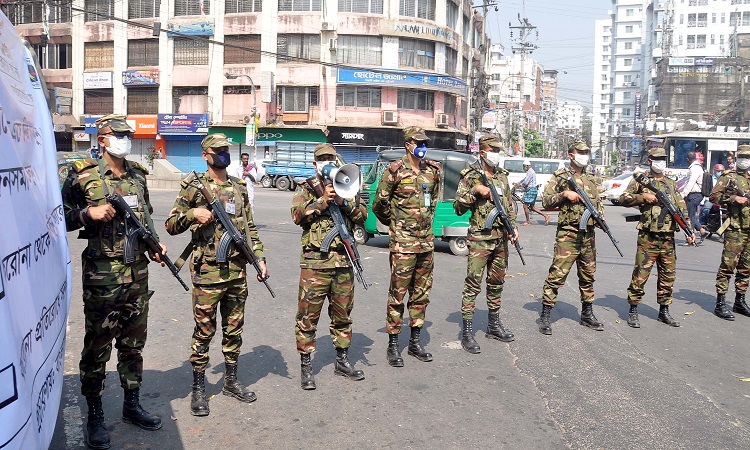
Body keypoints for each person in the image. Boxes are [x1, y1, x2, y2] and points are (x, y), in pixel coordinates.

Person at [62, 114, 164, 449]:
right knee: (98, 346)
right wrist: (85, 215)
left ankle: (131, 405)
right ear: (102, 138)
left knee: (133, 345)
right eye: (118, 134)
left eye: (127, 134)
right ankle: (95, 415)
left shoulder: (137, 175)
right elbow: (55, 216)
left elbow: (145, 217)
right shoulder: (83, 176)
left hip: (137, 274)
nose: (125, 139)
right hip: (102, 278)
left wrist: (156, 244)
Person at [165, 133, 268, 417]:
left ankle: (231, 380)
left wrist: (259, 258)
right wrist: (192, 214)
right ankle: (199, 387)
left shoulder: (238, 187)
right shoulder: (194, 186)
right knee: (204, 331)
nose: (224, 153)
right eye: (218, 150)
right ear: (205, 155)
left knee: (234, 329)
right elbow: (171, 225)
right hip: (207, 272)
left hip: (237, 272)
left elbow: (250, 229)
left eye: (226, 149)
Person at [291, 143, 367, 389]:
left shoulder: (348, 185)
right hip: (315, 264)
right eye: (321, 159)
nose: (326, 162)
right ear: (315, 164)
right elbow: (297, 216)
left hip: (343, 262)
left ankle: (342, 360)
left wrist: (344, 201)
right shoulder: (306, 188)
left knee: (343, 315)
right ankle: (306, 365)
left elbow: (362, 215)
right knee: (307, 317)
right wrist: (322, 201)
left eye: (330, 158)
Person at [373, 126, 441, 366]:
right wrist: (396, 225)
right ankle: (393, 344)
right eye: (417, 142)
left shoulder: (433, 172)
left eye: (424, 142)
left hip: (426, 244)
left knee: (421, 294)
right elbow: (378, 205)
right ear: (407, 144)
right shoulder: (394, 171)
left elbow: (433, 203)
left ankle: (414, 342)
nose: (422, 146)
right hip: (403, 244)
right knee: (397, 294)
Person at [453, 134, 519, 353]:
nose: (496, 155)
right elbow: (458, 207)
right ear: (482, 152)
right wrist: (475, 191)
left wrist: (513, 227)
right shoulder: (471, 175)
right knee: (473, 284)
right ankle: (468, 331)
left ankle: (493, 325)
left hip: (501, 238)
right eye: (493, 150)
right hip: (481, 238)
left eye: (498, 150)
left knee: (497, 282)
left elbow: (508, 204)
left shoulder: (501, 175)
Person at [618, 148, 696, 328]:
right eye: (658, 159)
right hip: (648, 236)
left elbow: (681, 208)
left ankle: (664, 311)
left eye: (664, 159)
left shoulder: (670, 183)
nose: (661, 162)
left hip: (668, 237)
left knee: (668, 275)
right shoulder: (642, 180)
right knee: (641, 274)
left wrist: (689, 230)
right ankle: (633, 310)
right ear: (651, 160)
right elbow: (624, 198)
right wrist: (642, 197)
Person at [538, 140, 605, 335]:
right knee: (557, 274)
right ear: (571, 155)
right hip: (568, 234)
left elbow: (599, 204)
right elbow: (546, 200)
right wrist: (564, 194)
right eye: (581, 152)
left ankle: (587, 313)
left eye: (587, 152)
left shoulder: (593, 179)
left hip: (588, 235)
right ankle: (545, 315)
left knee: (588, 275)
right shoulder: (561, 177)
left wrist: (601, 217)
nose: (585, 155)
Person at [709, 144, 750, 321]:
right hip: (735, 228)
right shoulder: (728, 177)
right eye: (742, 157)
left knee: (746, 267)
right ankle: (720, 303)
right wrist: (733, 198)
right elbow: (713, 197)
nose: (745, 160)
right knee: (728, 267)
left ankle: (739, 301)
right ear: (736, 158)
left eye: (748, 157)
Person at [680, 151, 709, 241]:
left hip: (694, 195)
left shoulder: (695, 168)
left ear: (688, 159)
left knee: (689, 216)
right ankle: (702, 231)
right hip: (696, 195)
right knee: (691, 215)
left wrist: (683, 194)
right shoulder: (697, 167)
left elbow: (691, 183)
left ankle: (690, 237)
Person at [514, 159, 550, 226]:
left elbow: (526, 182)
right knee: (532, 207)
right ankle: (545, 216)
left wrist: (519, 185)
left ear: (526, 166)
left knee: (525, 206)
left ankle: (528, 221)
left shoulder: (530, 172)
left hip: (531, 190)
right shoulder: (530, 172)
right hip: (532, 190)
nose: (524, 168)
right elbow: (524, 179)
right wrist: (518, 183)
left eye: (524, 166)